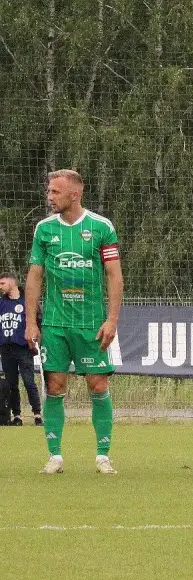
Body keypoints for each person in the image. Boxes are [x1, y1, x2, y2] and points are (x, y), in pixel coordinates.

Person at [25, 170, 123, 474]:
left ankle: (103, 456)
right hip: (55, 324)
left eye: (55, 192)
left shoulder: (101, 227)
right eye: (49, 191)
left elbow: (114, 275)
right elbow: (35, 276)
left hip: (91, 323)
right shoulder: (44, 230)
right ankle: (55, 456)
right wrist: (31, 322)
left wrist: (112, 319)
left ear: (75, 194)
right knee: (54, 386)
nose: (49, 197)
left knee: (98, 384)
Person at [0, 274, 42, 426]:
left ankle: (37, 414)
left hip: (23, 348)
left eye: (2, 283)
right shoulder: (1, 303)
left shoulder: (27, 302)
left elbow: (38, 321)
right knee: (11, 384)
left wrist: (36, 341)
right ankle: (17, 416)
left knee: (29, 382)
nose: (0, 286)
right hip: (6, 349)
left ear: (12, 282)